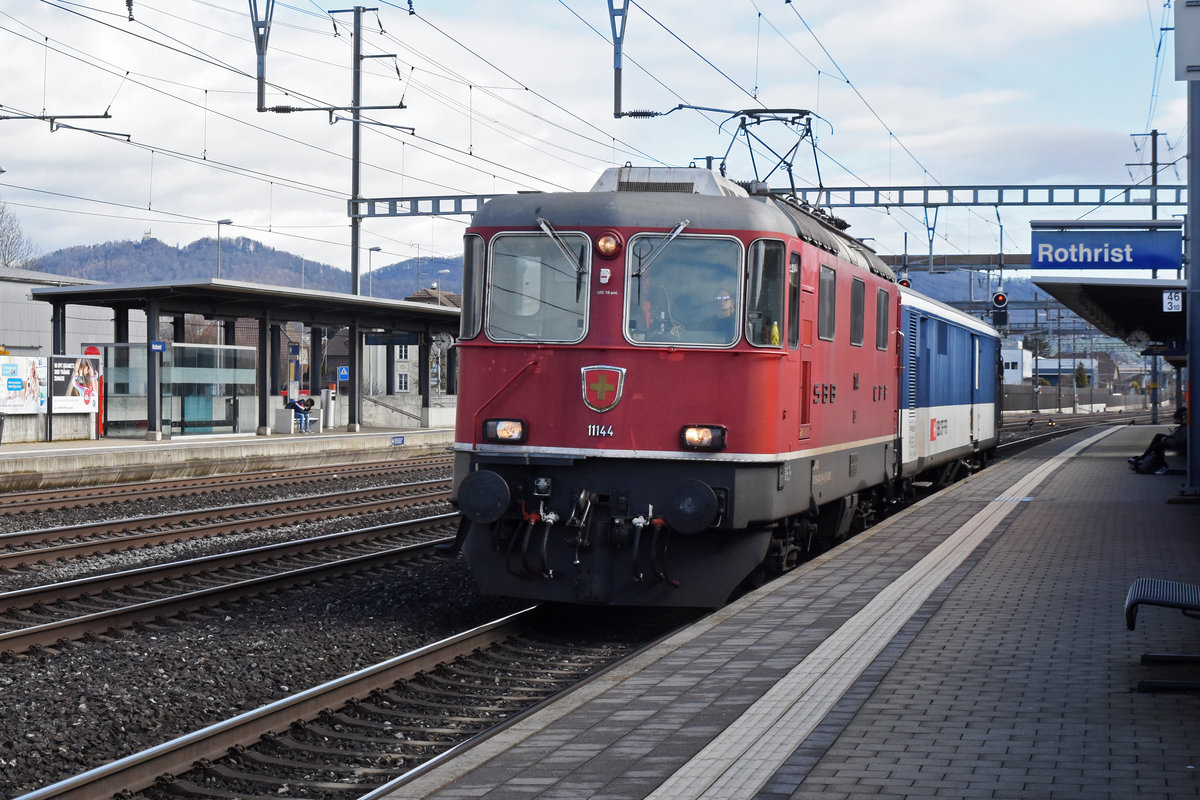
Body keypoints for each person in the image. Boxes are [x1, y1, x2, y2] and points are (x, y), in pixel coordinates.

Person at [1129, 407, 1187, 474]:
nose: (1181, 420)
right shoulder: (1184, 425)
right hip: (1176, 440)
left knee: (1157, 446)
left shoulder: (1187, 426)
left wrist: (1168, 437)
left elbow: (1179, 440)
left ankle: (1162, 466)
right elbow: (1178, 435)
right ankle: (1144, 457)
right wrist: (1171, 435)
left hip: (1178, 444)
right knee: (1158, 436)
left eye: (1183, 418)